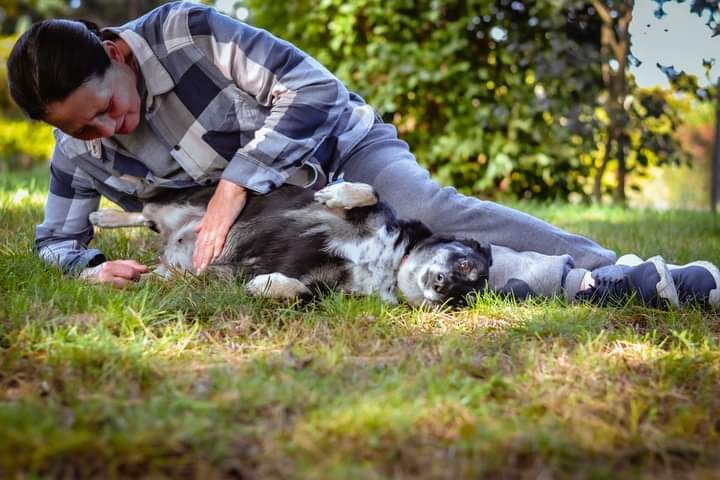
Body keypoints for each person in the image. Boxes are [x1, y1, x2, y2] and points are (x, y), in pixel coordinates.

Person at [6, 1, 719, 308]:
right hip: (284, 223)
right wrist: (91, 269)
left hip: (339, 146)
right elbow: (55, 241)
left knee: (430, 209)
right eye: (83, 130)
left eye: (104, 109)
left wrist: (233, 185)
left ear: (112, 50)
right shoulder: (81, 149)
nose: (105, 132)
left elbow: (312, 87)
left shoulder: (186, 31)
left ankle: (623, 277)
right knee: (401, 270)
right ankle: (586, 286)